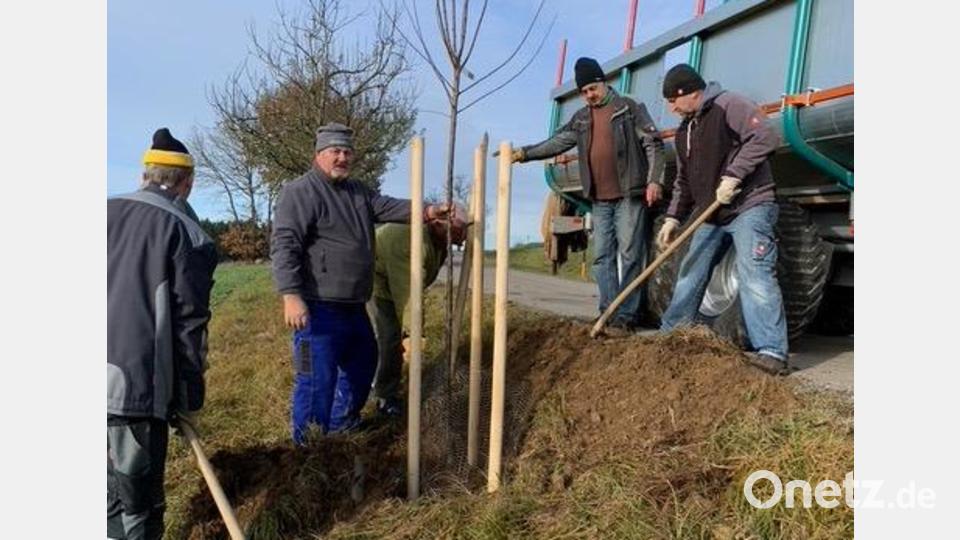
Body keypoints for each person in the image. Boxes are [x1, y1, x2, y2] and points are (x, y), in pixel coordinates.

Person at [270, 122, 449, 444]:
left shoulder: (358, 193)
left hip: (354, 306)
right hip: (316, 308)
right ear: (319, 154)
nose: (342, 157)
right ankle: (308, 446)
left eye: (347, 152)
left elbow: (390, 206)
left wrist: (429, 210)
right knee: (316, 381)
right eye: (335, 151)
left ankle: (342, 427)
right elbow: (285, 245)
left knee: (364, 365)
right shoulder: (300, 192)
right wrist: (291, 295)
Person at [107, 128, 219, 539]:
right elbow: (190, 323)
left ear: (144, 176)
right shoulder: (188, 233)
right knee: (136, 508)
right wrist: (189, 397)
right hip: (132, 391)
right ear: (187, 184)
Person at [501, 56, 665, 330]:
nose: (589, 95)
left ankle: (627, 316)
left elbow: (653, 144)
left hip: (628, 194)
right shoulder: (581, 119)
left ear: (603, 82)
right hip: (599, 197)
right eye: (584, 91)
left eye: (593, 88)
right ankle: (608, 311)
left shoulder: (628, 108)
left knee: (630, 253)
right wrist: (525, 153)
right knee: (602, 257)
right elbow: (556, 142)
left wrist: (654, 181)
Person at [655, 63, 789, 375]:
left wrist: (733, 176)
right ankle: (671, 334)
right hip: (711, 213)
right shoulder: (685, 131)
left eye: (673, 101)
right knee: (691, 271)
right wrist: (672, 218)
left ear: (690, 93)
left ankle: (772, 351)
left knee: (755, 276)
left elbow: (765, 136)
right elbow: (684, 181)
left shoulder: (730, 104)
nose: (671, 108)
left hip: (750, 206)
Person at [367, 205, 468, 417]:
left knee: (396, 337)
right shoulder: (410, 241)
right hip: (374, 280)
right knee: (388, 338)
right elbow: (409, 294)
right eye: (460, 231)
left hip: (396, 279)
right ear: (439, 224)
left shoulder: (439, 240)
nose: (463, 238)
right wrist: (414, 334)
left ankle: (382, 384)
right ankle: (382, 397)